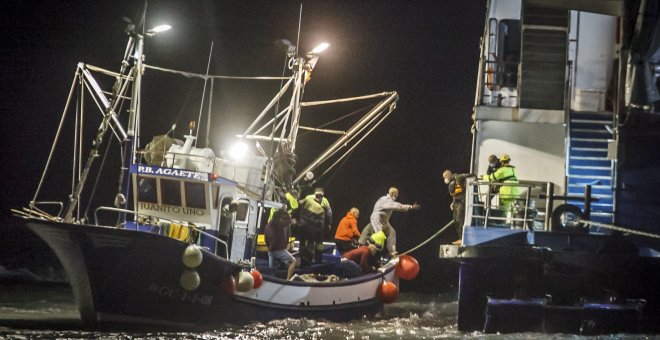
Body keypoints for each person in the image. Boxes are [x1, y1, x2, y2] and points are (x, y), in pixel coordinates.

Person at [363, 187, 420, 256]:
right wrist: (410, 207)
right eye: (397, 194)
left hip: (384, 220)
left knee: (392, 232)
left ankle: (392, 251)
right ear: (393, 193)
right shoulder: (386, 199)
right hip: (377, 219)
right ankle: (368, 242)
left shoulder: (388, 200)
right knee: (380, 237)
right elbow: (398, 206)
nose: (398, 195)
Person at [298, 187, 332, 266]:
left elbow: (299, 205)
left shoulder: (308, 198)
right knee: (317, 243)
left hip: (308, 225)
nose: (319, 197)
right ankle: (317, 260)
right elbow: (329, 214)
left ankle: (305, 260)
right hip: (317, 226)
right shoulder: (325, 201)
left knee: (307, 243)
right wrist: (329, 224)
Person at [442, 170, 476, 243]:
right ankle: (460, 237)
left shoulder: (458, 177)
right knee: (456, 220)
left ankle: (463, 238)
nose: (444, 179)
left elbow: (470, 175)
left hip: (462, 202)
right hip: (456, 202)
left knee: (460, 220)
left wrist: (473, 177)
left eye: (444, 177)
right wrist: (452, 203)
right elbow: (454, 195)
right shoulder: (451, 183)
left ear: (448, 175)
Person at [264, 209, 296, 280]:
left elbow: (266, 240)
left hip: (270, 252)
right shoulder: (278, 224)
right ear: (279, 218)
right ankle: (288, 280)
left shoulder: (267, 226)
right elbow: (288, 221)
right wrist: (288, 215)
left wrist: (270, 247)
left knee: (271, 270)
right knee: (293, 261)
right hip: (279, 251)